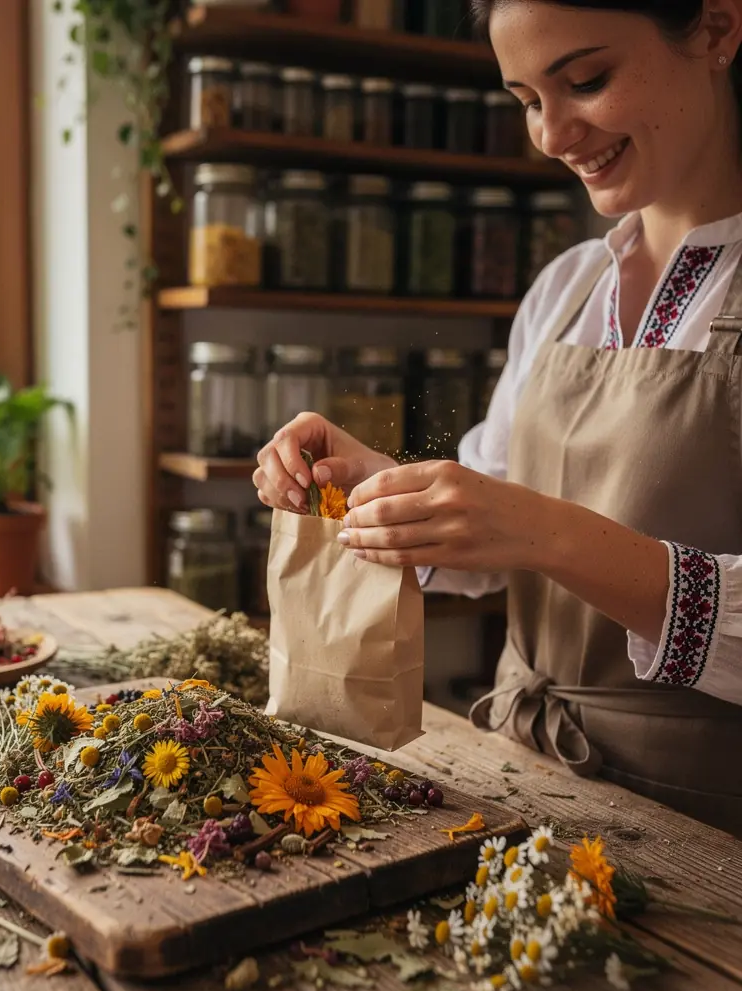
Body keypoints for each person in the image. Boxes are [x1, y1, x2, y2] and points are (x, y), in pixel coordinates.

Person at [252, 0, 742, 836]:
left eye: (586, 79)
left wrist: (544, 533)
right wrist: (379, 490)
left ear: (717, 30)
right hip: (530, 782)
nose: (551, 134)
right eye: (527, 100)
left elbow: (524, 524)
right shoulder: (568, 288)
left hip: (706, 829)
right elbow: (496, 518)